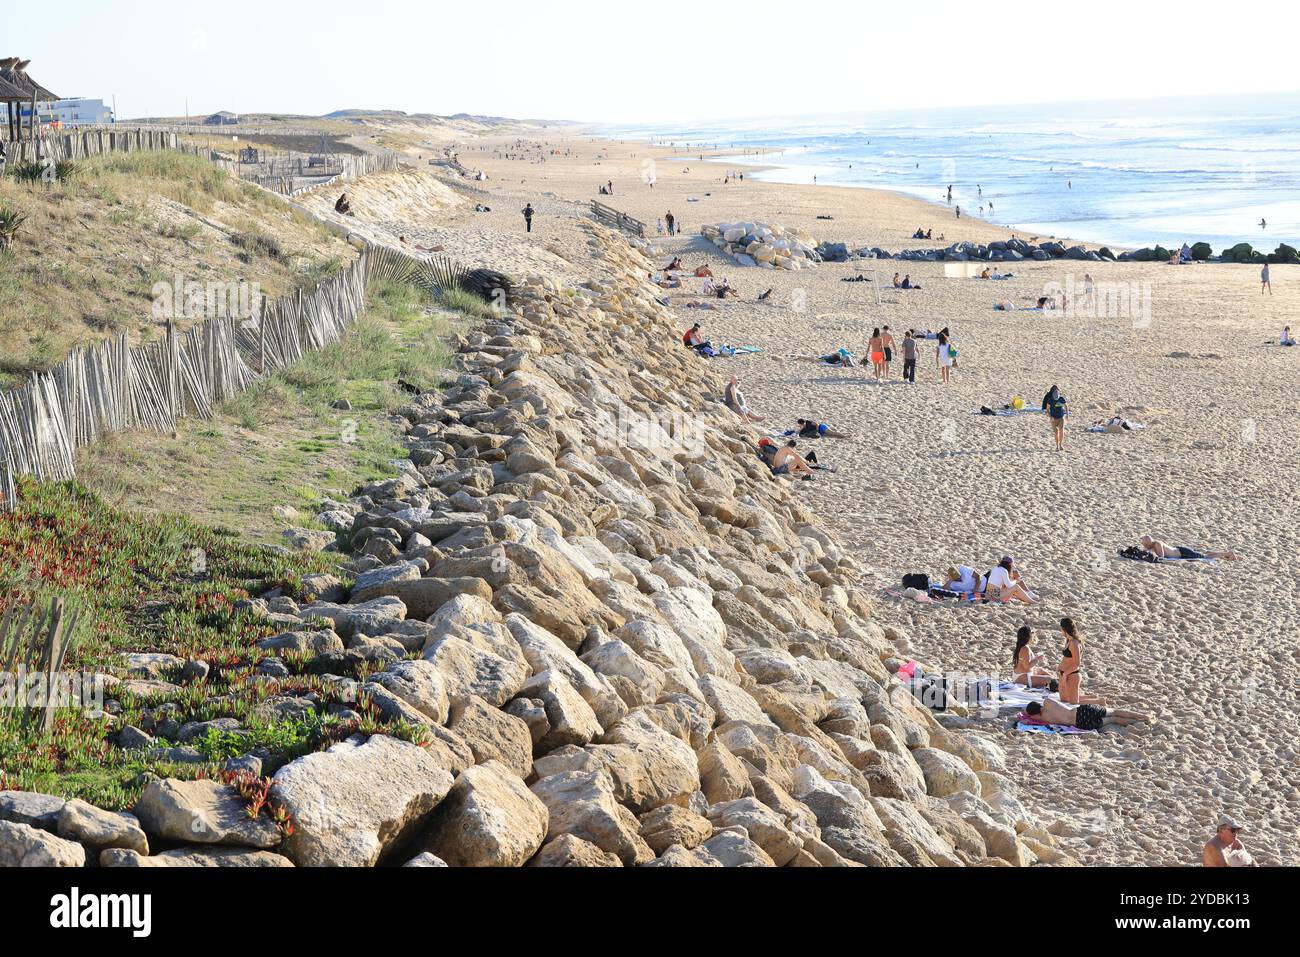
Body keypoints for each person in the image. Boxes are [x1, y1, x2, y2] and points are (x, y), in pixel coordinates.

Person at [1025, 699, 1149, 730]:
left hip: (1081, 723)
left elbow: (1032, 718)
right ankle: (1144, 717)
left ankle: (1140, 723)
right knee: (1115, 711)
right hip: (1081, 711)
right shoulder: (1047, 702)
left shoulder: (1045, 719)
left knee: (1114, 719)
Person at [1056, 618, 1101, 705]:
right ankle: (1091, 697)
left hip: (1072, 674)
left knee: (1074, 703)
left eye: (1061, 629)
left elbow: (1077, 663)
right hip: (1064, 673)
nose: (1060, 631)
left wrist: (1065, 674)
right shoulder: (1068, 640)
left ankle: (1099, 701)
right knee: (1064, 700)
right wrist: (1059, 667)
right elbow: (1067, 657)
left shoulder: (1074, 643)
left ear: (1064, 629)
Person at [1137, 535, 1240, 561]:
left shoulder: (1157, 544)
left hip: (1182, 553)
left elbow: (1161, 557)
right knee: (1203, 554)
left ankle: (1227, 553)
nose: (1144, 546)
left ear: (1149, 543)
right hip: (1180, 551)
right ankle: (1221, 553)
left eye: (1145, 544)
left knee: (1204, 557)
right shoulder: (1153, 545)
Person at [1043, 384, 1068, 452]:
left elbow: (1066, 406)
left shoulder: (1062, 399)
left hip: (1061, 417)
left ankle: (1060, 445)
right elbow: (1047, 410)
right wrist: (1050, 417)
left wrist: (1067, 415)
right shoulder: (1050, 400)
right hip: (1053, 418)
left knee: (1061, 431)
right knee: (1056, 433)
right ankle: (1057, 446)